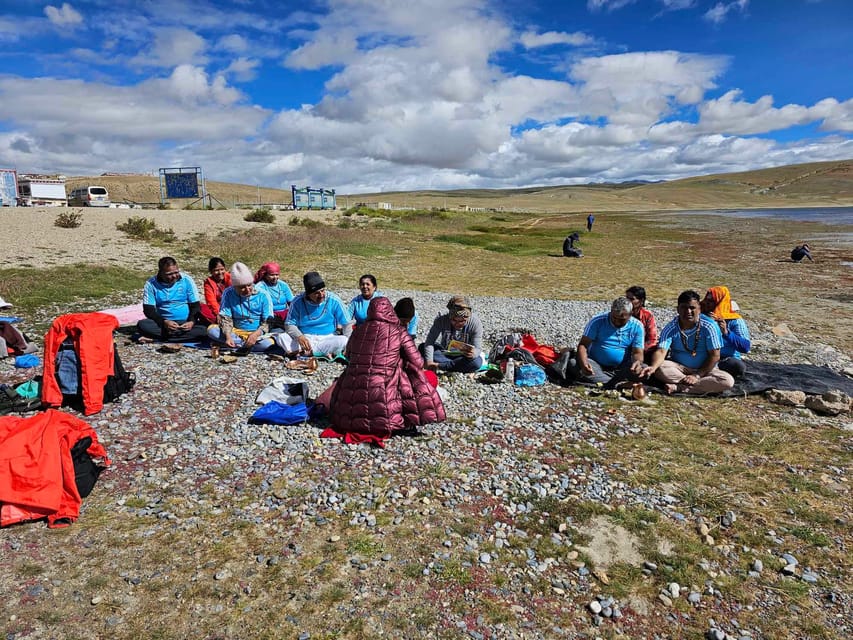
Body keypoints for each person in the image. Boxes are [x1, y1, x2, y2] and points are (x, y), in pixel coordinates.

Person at [328, 297, 445, 440]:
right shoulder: (399, 331)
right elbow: (418, 362)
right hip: (384, 398)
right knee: (414, 376)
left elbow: (348, 355)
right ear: (390, 312)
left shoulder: (358, 331)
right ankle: (405, 422)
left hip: (348, 409)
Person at [642, 290, 734, 395]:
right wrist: (653, 367)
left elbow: (715, 356)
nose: (688, 311)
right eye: (684, 308)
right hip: (680, 369)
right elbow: (661, 351)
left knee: (727, 381)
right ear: (678, 309)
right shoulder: (671, 328)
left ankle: (679, 388)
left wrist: (697, 375)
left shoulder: (709, 326)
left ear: (699, 309)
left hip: (705, 370)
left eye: (692, 308)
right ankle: (697, 387)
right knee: (660, 369)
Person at [568, 297, 646, 384]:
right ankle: (617, 383)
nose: (617, 322)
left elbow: (637, 352)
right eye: (614, 318)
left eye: (621, 320)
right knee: (574, 363)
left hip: (621, 367)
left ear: (631, 314)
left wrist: (637, 363)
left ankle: (607, 381)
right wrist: (584, 364)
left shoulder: (637, 326)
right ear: (611, 311)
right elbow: (583, 345)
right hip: (595, 364)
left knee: (643, 369)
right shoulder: (597, 321)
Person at [207, 262, 277, 352]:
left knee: (268, 343)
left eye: (249, 285)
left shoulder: (263, 294)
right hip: (236, 332)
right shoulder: (228, 293)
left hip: (258, 333)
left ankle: (238, 345)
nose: (247, 290)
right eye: (242, 287)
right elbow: (225, 317)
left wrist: (255, 335)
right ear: (234, 287)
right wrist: (228, 336)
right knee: (212, 330)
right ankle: (243, 344)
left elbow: (268, 320)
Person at [280, 271, 352, 357]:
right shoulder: (297, 302)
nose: (321, 295)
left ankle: (305, 353)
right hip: (305, 337)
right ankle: (317, 352)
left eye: (323, 291)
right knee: (282, 337)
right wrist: (299, 336)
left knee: (343, 340)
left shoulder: (333, 300)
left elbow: (346, 323)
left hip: (327, 337)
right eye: (316, 293)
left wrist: (349, 345)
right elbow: (289, 324)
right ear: (308, 294)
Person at [137, 257, 208, 342]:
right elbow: (148, 310)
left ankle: (158, 338)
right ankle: (178, 337)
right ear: (161, 272)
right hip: (164, 323)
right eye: (169, 274)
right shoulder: (151, 284)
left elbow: (195, 306)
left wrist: (191, 321)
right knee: (142, 325)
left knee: (206, 330)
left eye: (176, 272)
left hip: (185, 321)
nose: (174, 276)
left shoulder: (186, 280)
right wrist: (164, 322)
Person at [422, 295, 483, 373]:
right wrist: (429, 361)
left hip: (463, 357)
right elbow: (429, 342)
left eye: (462, 321)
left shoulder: (475, 323)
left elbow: (478, 348)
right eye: (454, 320)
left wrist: (473, 354)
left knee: (477, 362)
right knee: (422, 347)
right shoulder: (441, 319)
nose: (457, 324)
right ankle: (452, 366)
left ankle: (441, 366)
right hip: (444, 353)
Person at [700, 286, 750, 378]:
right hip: (704, 355)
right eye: (707, 300)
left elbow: (745, 347)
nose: (707, 303)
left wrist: (726, 333)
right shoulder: (700, 315)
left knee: (738, 367)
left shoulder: (735, 321)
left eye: (711, 301)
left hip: (725, 358)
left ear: (720, 302)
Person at [625, 286, 658, 361]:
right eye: (626, 298)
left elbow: (652, 339)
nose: (628, 302)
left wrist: (638, 349)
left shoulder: (647, 316)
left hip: (641, 349)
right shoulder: (621, 314)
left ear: (641, 301)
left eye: (632, 299)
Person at [199, 257, 231, 325]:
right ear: (211, 271)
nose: (220, 273)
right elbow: (211, 301)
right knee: (201, 308)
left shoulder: (230, 278)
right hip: (217, 308)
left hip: (231, 306)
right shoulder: (208, 282)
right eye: (216, 270)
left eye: (222, 269)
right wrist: (218, 313)